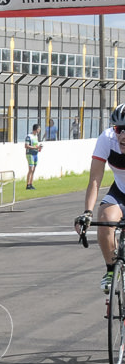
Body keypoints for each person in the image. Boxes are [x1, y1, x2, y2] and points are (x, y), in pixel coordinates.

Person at [75, 104, 125, 293]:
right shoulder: (106, 139)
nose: (123, 135)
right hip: (120, 191)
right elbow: (95, 179)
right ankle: (111, 270)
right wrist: (87, 212)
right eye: (119, 129)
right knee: (105, 218)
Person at [24, 124, 42, 190]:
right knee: (31, 169)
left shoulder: (36, 136)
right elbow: (26, 146)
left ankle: (31, 183)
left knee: (34, 169)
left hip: (35, 153)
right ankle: (27, 184)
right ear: (36, 129)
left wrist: (39, 148)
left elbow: (36, 145)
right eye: (39, 129)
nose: (39, 130)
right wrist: (34, 147)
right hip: (30, 154)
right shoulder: (29, 136)